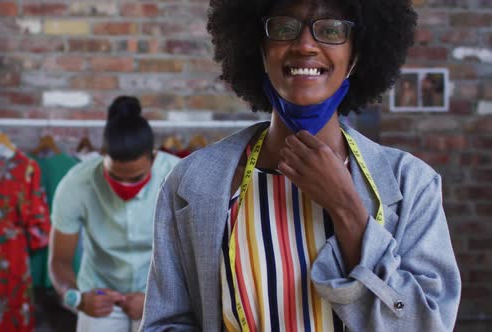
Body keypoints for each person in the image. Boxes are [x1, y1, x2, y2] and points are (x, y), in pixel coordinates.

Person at [141, 0, 461, 331]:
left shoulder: (412, 185)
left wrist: (347, 209)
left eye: (331, 29)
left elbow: (427, 324)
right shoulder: (191, 183)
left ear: (355, 57)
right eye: (283, 28)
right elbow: (166, 323)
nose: (306, 45)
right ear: (260, 50)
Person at [49, 96, 179, 331]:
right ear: (101, 155)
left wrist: (158, 298)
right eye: (116, 177)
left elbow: (193, 256)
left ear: (154, 156)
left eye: (137, 178)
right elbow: (59, 261)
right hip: (99, 295)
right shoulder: (76, 183)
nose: (126, 185)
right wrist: (77, 298)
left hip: (160, 293)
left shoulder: (178, 176)